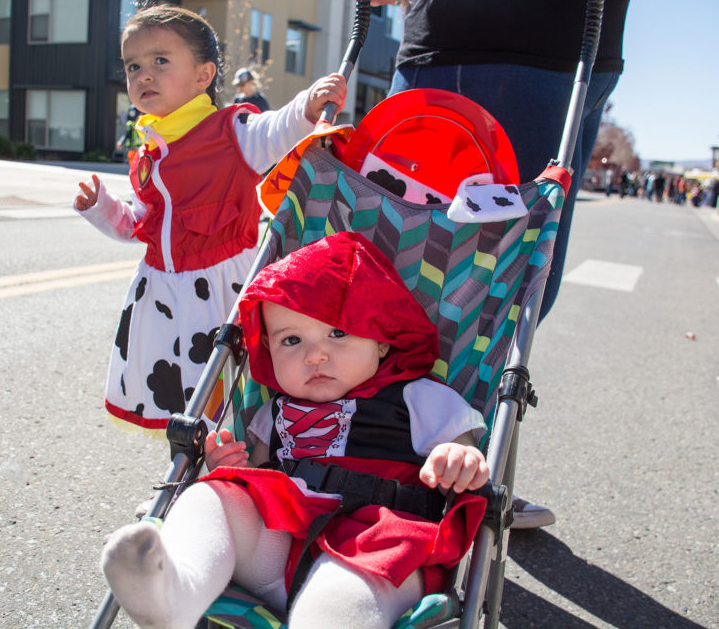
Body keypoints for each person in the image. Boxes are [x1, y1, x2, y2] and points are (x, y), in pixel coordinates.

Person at [101, 232, 490, 629]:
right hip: (280, 550)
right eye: (291, 340)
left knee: (343, 594)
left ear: (383, 341)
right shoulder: (273, 414)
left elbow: (467, 451)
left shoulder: (419, 397)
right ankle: (176, 591)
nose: (315, 354)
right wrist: (228, 468)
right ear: (268, 349)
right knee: (214, 498)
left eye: (338, 333)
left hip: (381, 542)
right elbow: (255, 482)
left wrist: (460, 458)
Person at [358, 0, 631, 530]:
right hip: (481, 34)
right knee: (442, 282)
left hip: (586, 45)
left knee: (523, 285)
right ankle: (386, 462)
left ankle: (466, 469)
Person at [74, 4, 346, 433]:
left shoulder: (230, 131)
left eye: (160, 61)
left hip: (218, 290)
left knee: (224, 391)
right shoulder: (148, 154)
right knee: (176, 393)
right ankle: (181, 477)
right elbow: (138, 226)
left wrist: (306, 108)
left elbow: (274, 131)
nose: (144, 75)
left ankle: (228, 474)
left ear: (203, 76)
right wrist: (100, 208)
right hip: (160, 294)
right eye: (133, 66)